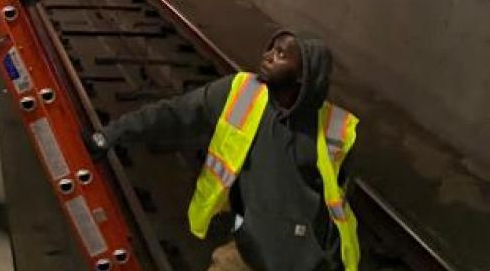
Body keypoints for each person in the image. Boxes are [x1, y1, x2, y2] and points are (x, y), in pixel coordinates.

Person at [87, 32, 361, 271]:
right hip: (249, 252)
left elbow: (337, 206)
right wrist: (112, 134)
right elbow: (173, 113)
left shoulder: (336, 129)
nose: (267, 56)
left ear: (304, 75)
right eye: (271, 48)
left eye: (280, 54)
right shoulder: (242, 92)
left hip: (305, 262)